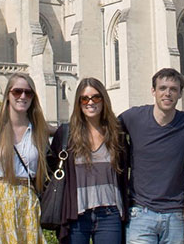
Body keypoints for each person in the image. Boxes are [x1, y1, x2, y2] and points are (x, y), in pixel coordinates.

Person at [119, 68, 184, 244]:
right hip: (141, 214)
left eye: (173, 89)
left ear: (180, 94)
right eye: (162, 88)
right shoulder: (134, 117)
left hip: (175, 216)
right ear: (153, 91)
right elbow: (102, 129)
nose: (167, 93)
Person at [50, 77, 130, 244]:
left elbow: (124, 171)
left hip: (110, 214)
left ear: (104, 100)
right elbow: (51, 167)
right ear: (79, 103)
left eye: (96, 97)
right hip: (76, 215)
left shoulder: (117, 134)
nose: (90, 102)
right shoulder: (66, 134)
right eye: (84, 98)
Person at [0, 72, 50, 244]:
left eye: (28, 92)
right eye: (17, 91)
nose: (22, 96)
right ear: (8, 94)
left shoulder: (40, 131)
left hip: (27, 202)